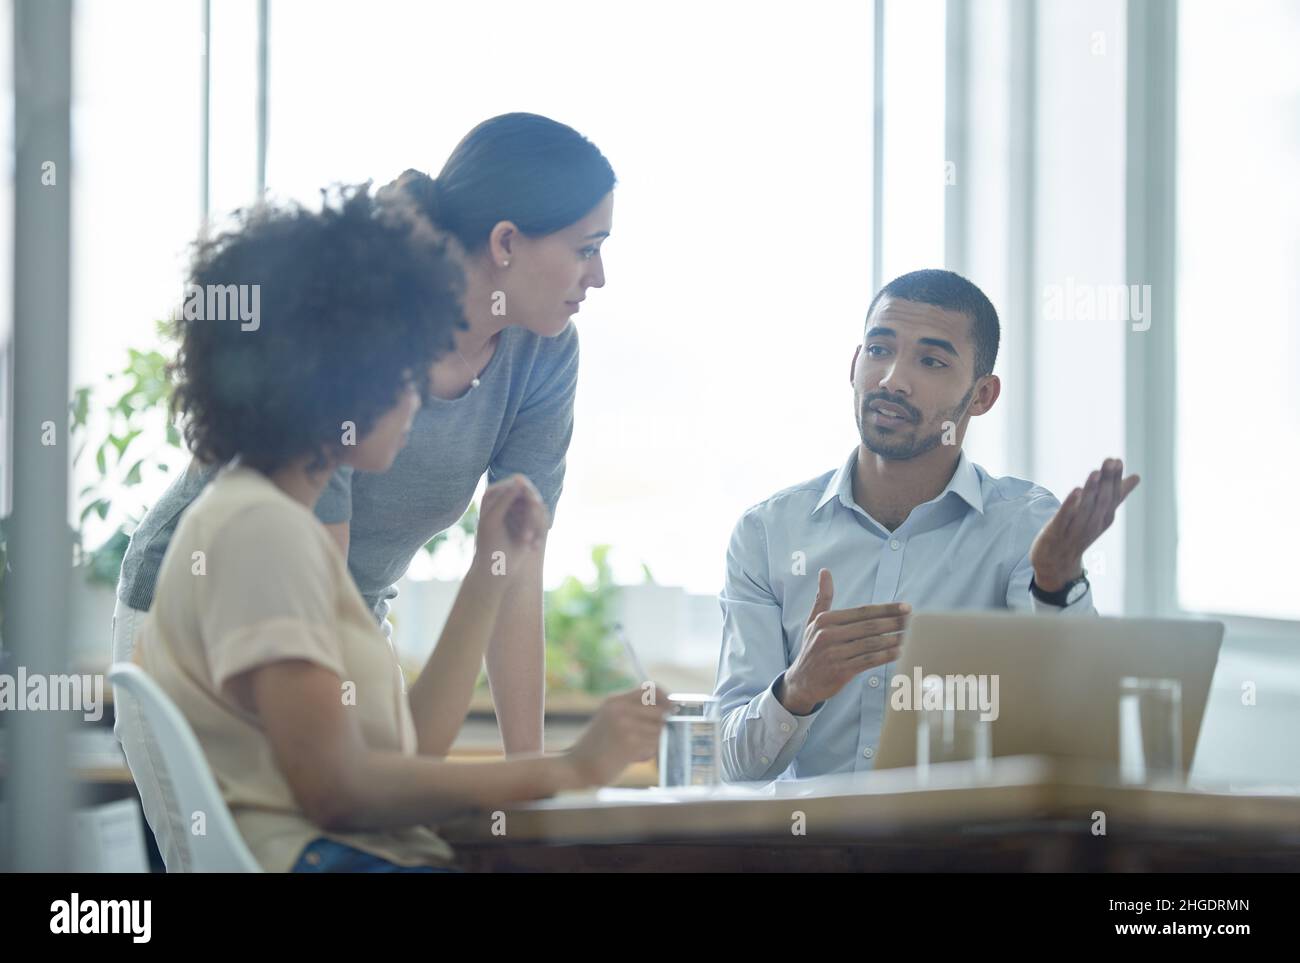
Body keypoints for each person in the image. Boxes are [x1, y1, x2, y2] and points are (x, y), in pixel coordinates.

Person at [114, 112, 615, 868]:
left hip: (331, 606)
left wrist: (532, 794)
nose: (598, 277)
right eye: (586, 249)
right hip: (230, 604)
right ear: (508, 241)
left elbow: (507, 578)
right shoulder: (274, 505)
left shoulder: (541, 354)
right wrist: (560, 770)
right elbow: (341, 790)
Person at [713, 269, 1139, 783]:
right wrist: (797, 690)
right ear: (853, 364)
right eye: (878, 350)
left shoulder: (1023, 527)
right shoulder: (768, 533)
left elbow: (1077, 731)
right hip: (807, 851)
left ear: (982, 396)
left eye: (932, 360)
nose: (892, 379)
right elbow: (732, 766)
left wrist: (1056, 584)